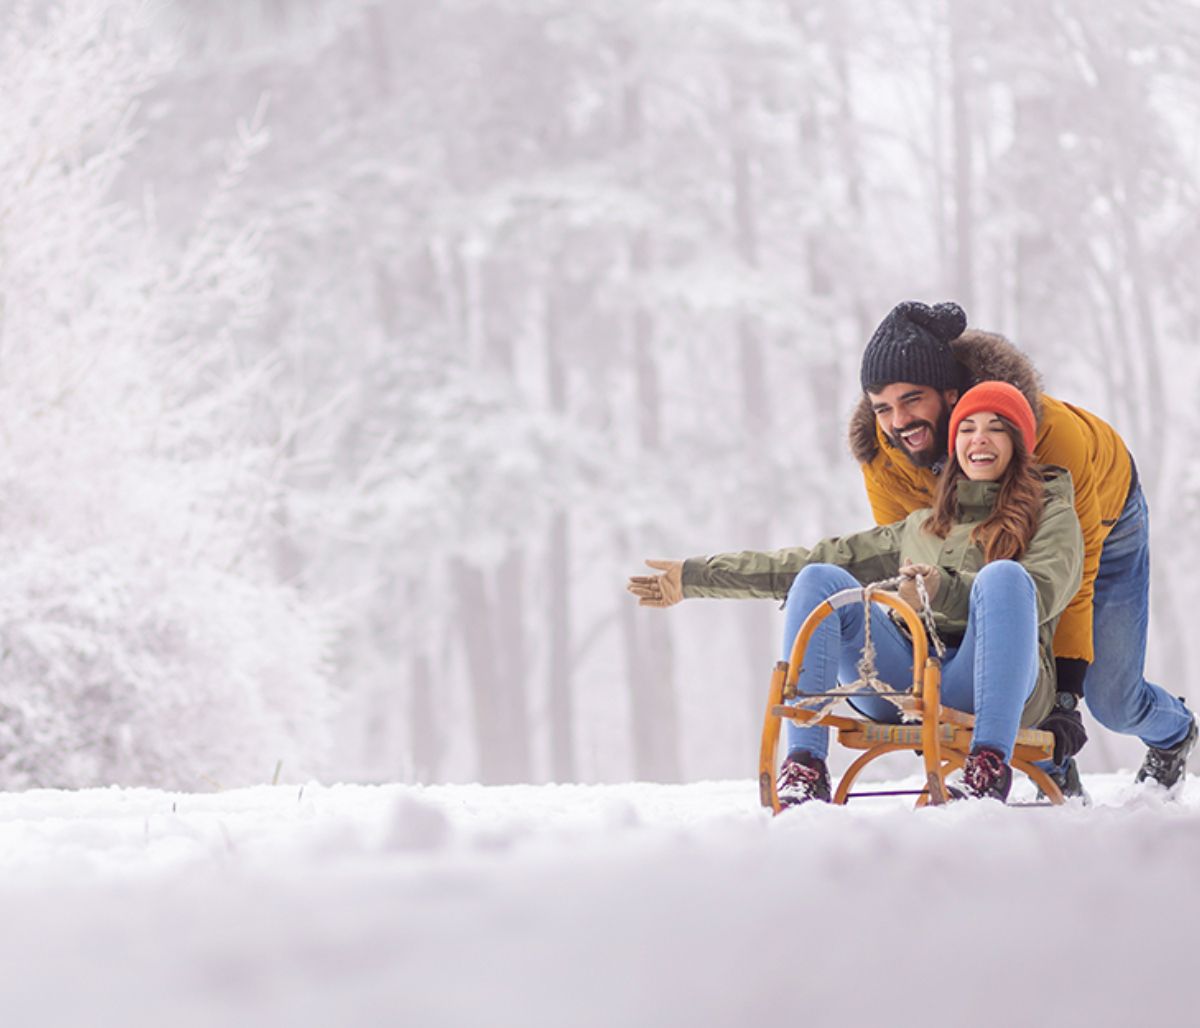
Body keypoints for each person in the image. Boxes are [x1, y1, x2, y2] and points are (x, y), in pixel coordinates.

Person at [629, 382, 1083, 805]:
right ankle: (806, 765)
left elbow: (1041, 593)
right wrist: (693, 577)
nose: (979, 439)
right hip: (908, 679)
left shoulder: (1051, 515)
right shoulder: (920, 526)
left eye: (996, 429)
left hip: (998, 682)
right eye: (967, 428)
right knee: (818, 576)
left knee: (1003, 577)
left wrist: (942, 590)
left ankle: (988, 766)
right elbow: (801, 562)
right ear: (955, 444)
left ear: (1019, 445)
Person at [849, 300, 1196, 795]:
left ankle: (1174, 732)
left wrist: (1065, 699)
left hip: (1107, 524)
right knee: (1000, 633)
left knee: (1112, 700)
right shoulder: (888, 462)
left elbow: (1072, 578)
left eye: (913, 399)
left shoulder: (1049, 436)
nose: (899, 421)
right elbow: (921, 570)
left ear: (950, 395)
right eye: (883, 407)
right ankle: (1052, 770)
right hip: (988, 555)